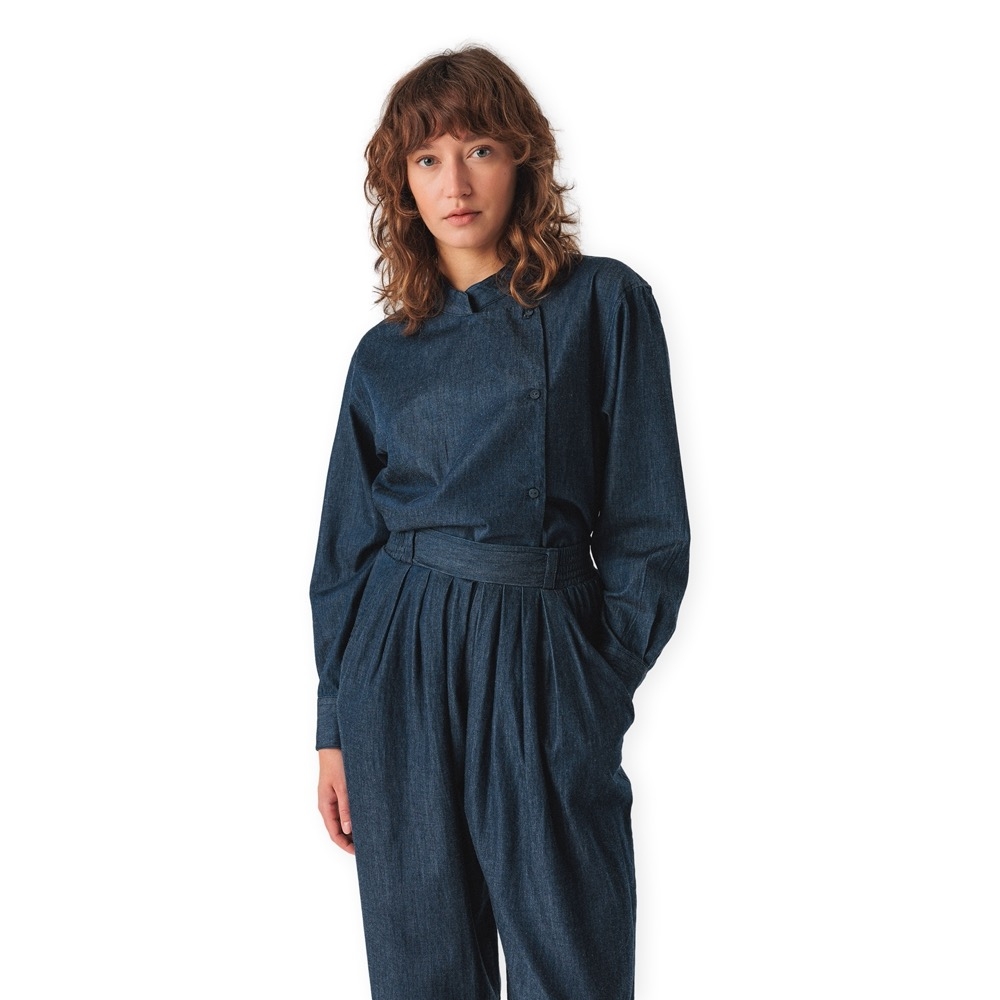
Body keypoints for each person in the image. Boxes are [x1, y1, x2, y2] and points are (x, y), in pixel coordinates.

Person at [309, 44, 690, 1000]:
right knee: (420, 964)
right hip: (397, 657)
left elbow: (648, 523)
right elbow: (346, 552)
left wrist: (597, 680)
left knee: (573, 957)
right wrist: (333, 726)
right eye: (428, 158)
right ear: (402, 183)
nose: (456, 182)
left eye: (478, 148)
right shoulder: (383, 354)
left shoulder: (604, 303)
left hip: (541, 646)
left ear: (523, 157)